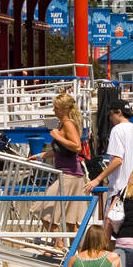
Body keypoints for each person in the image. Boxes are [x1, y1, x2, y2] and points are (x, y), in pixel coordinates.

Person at [37, 94, 88, 253]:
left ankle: (58, 244)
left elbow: (77, 147)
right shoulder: (64, 124)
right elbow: (62, 150)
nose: (54, 110)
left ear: (64, 109)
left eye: (56, 108)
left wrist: (57, 136)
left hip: (69, 174)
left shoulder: (67, 124)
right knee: (71, 220)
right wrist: (41, 155)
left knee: (43, 208)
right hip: (70, 173)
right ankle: (77, 251)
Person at [96, 100, 133, 202]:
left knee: (110, 217)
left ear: (119, 112)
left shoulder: (117, 130)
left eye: (110, 114)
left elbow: (117, 160)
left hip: (119, 189)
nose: (110, 118)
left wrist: (97, 179)